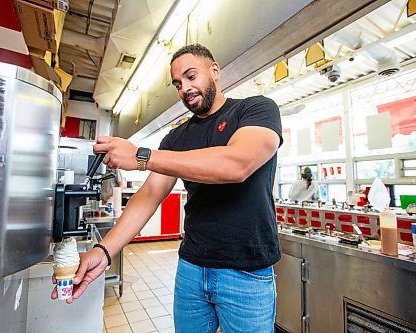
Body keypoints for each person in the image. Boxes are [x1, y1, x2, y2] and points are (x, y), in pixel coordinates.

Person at [51, 44, 283, 332]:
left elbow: (237, 165)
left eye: (190, 76)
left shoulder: (256, 109)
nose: (184, 88)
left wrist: (141, 156)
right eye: (177, 84)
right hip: (191, 270)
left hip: (247, 273)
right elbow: (148, 195)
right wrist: (104, 250)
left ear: (214, 71)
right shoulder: (176, 137)